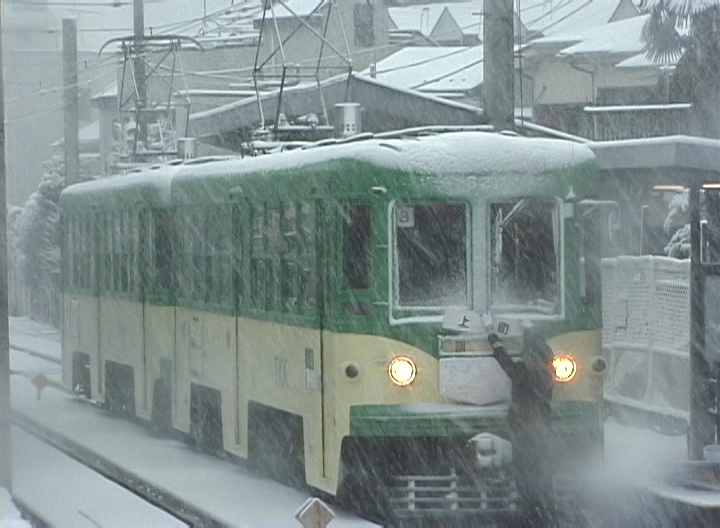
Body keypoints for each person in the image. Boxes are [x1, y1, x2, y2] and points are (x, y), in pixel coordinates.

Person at [488, 327, 555, 527]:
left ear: (534, 357)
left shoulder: (525, 374)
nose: (525, 357)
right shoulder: (546, 374)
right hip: (539, 432)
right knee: (540, 475)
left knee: (525, 476)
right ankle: (543, 513)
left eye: (528, 354)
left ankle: (529, 516)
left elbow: (505, 362)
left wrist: (492, 335)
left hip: (526, 434)